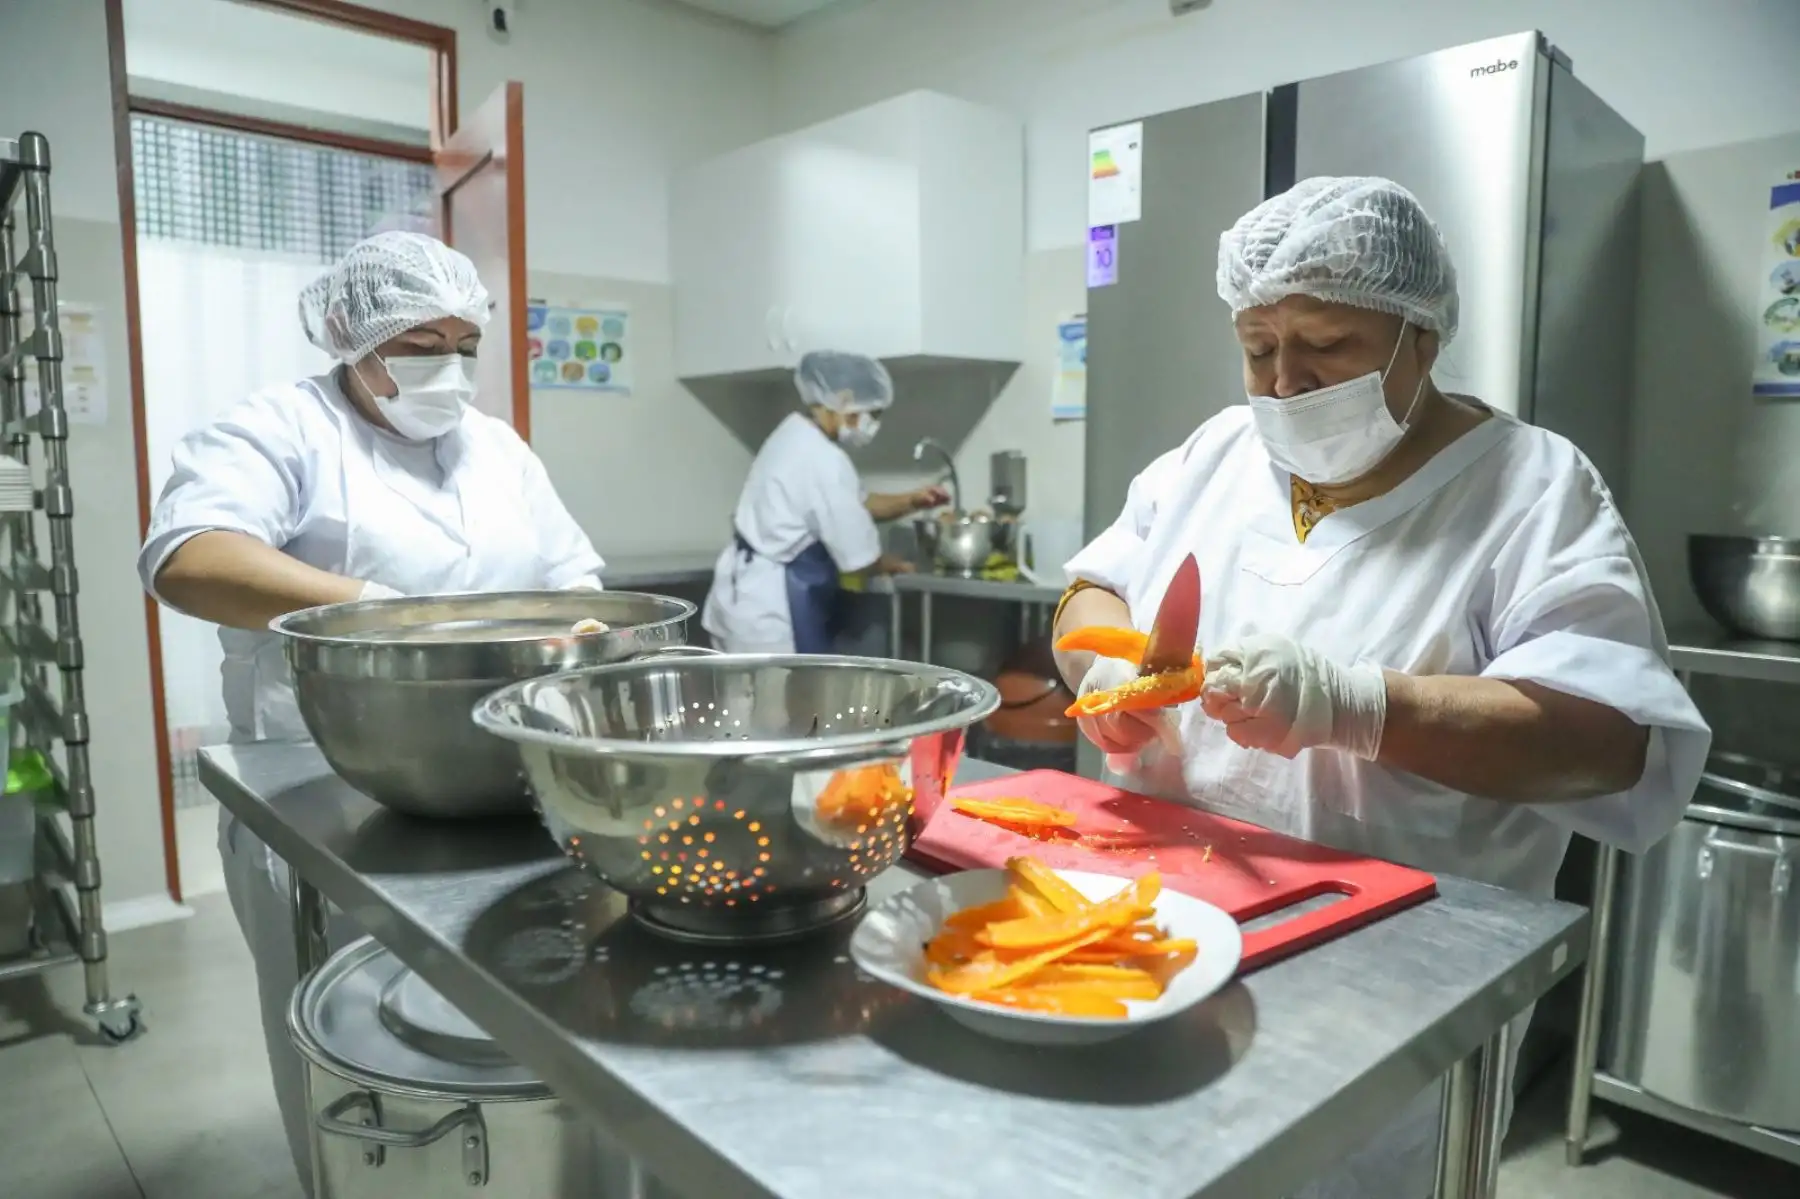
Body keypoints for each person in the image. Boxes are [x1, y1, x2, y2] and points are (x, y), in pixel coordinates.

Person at [1051, 177, 1710, 1199]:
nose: (1282, 383)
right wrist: (1102, 667)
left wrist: (1357, 706)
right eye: (1259, 346)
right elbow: (1094, 585)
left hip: (1395, 991)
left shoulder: (1534, 488)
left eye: (1327, 346)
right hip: (1162, 945)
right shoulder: (1215, 454)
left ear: (1420, 336)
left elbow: (1606, 737)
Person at [136, 231, 605, 1196]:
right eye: (421, 343)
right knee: (353, 1042)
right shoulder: (281, 429)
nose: (450, 368)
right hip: (328, 787)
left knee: (505, 1027)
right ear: (353, 338)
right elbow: (189, 558)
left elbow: (575, 580)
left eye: (465, 343)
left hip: (512, 784)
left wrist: (587, 634)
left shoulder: (499, 449)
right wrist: (367, 612)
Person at [703, 350, 947, 653]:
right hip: (771, 614)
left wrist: (912, 500)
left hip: (739, 598)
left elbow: (857, 503)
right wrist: (895, 565)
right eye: (873, 414)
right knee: (780, 699)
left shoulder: (793, 433)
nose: (873, 425)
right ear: (844, 400)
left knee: (743, 699)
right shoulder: (824, 460)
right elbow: (859, 559)